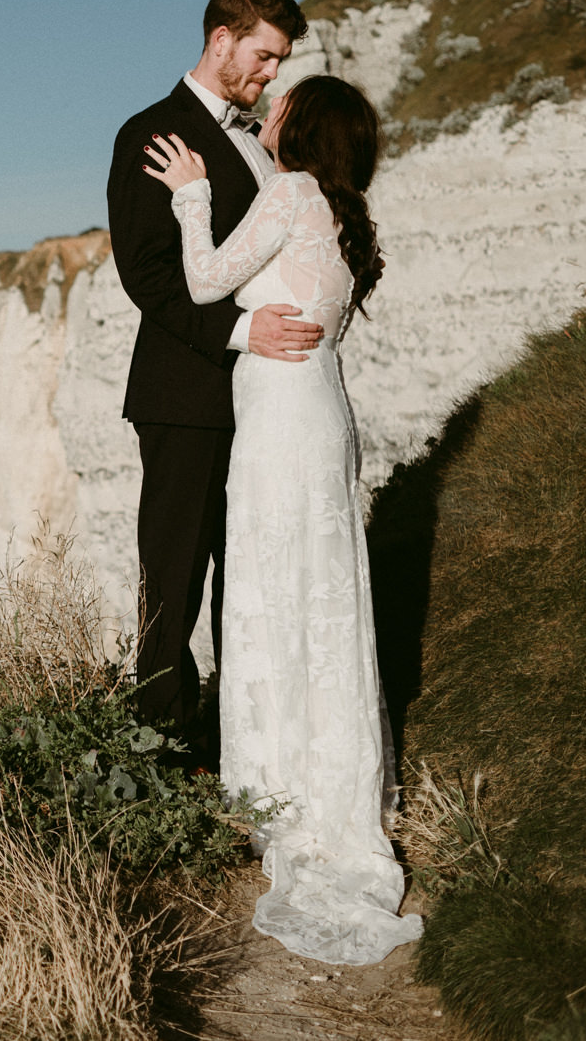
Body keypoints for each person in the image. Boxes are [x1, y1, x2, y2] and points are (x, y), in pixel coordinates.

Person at [143, 74, 423, 966]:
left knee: (273, 589)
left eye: (285, 102)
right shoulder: (341, 213)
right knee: (322, 595)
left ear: (308, 131)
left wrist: (192, 197)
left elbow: (201, 279)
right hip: (321, 413)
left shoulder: (293, 193)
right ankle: (327, 789)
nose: (270, 108)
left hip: (281, 422)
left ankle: (275, 795)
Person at [105, 0, 323, 752]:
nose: (271, 75)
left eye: (280, 63)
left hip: (262, 399)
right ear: (221, 39)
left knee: (250, 572)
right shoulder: (152, 132)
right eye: (265, 57)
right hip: (186, 394)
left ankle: (242, 742)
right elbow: (149, 274)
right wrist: (241, 332)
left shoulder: (256, 139)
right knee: (174, 578)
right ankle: (159, 750)